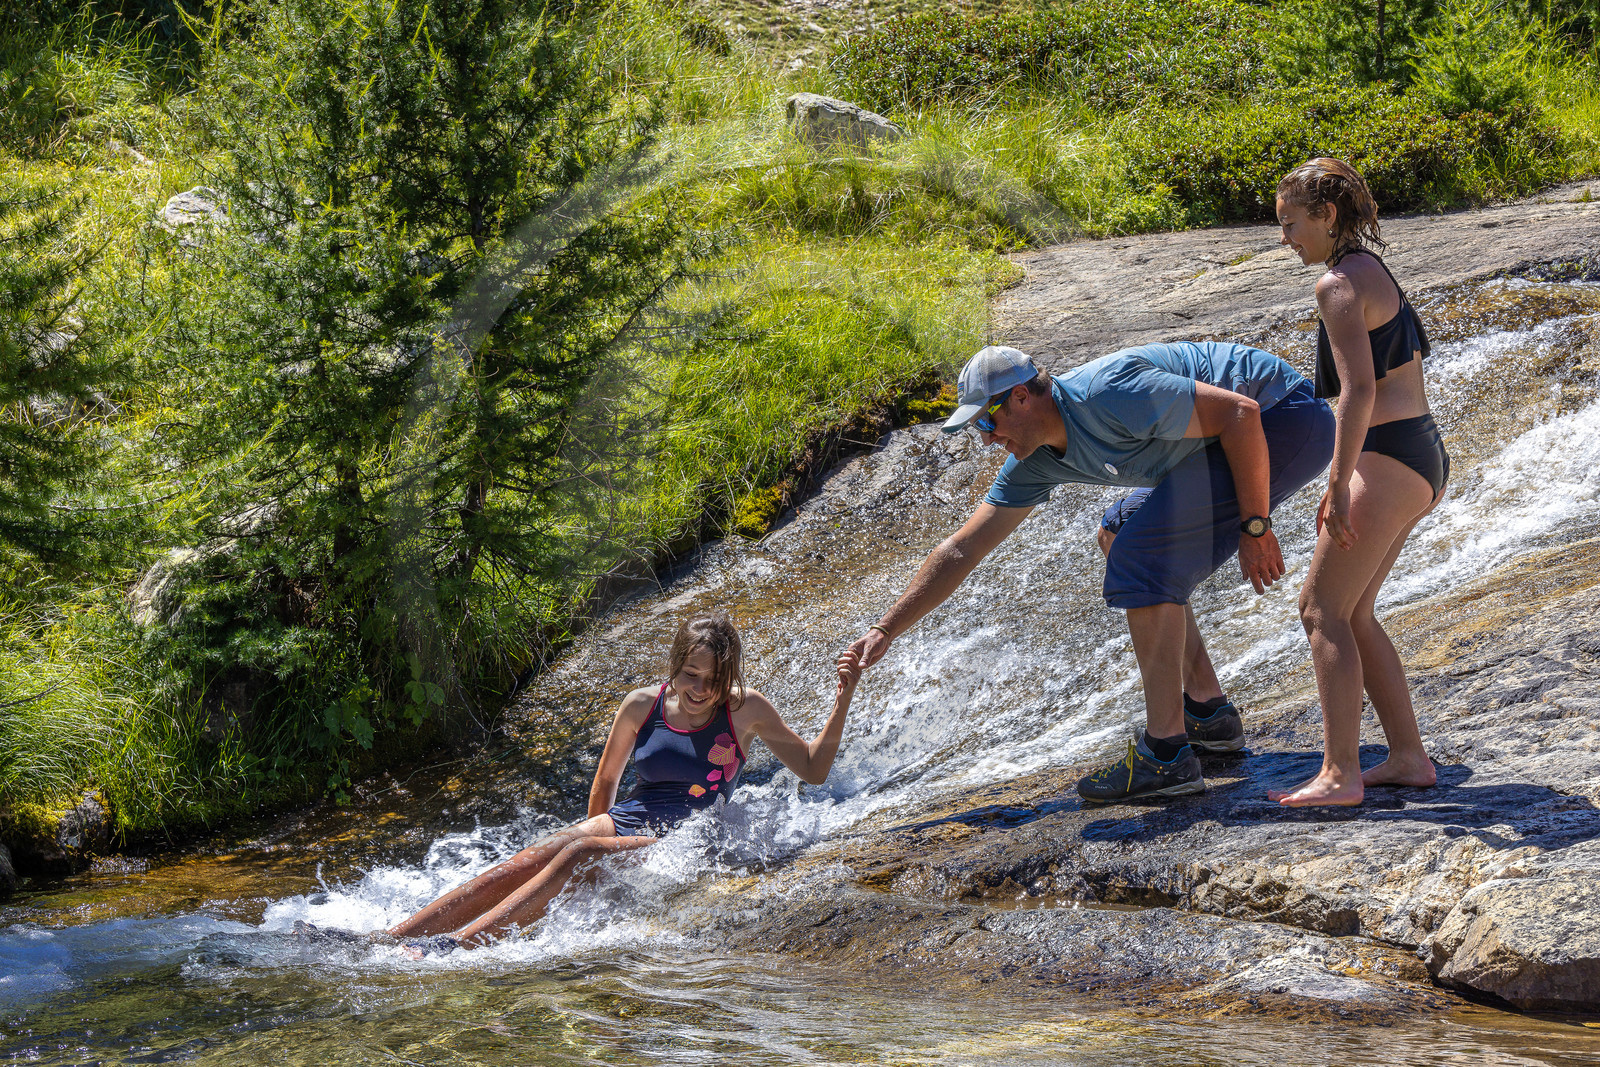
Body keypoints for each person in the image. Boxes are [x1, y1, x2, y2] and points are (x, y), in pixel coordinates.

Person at [848, 341, 1334, 803]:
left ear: (1021, 397)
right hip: (1238, 436)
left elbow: (1239, 413)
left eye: (987, 422)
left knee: (1142, 556)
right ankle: (1209, 714)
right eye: (977, 428)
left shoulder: (1108, 394)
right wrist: (885, 629)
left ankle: (1166, 755)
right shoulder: (1035, 459)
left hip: (1284, 418)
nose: (988, 439)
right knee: (1119, 533)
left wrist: (1255, 527)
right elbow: (963, 549)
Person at [390, 613, 862, 948]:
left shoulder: (746, 709)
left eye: (713, 681)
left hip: (691, 841)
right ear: (674, 667)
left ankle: (458, 946)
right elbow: (606, 784)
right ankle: (395, 938)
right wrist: (593, 875)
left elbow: (813, 769)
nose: (700, 690)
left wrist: (843, 699)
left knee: (579, 851)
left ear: (730, 678)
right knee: (536, 854)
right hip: (631, 821)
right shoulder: (642, 705)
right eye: (690, 675)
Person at [1268, 158, 1447, 808]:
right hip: (1421, 454)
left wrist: (1338, 482)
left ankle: (1340, 773)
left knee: (1320, 609)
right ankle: (1407, 757)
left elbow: (1358, 390)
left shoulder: (1337, 285)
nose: (1285, 237)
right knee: (1356, 612)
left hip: (1387, 457)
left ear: (1327, 216)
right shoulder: (1372, 270)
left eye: (1291, 224)